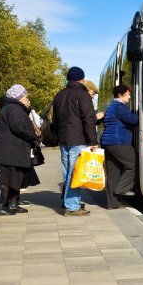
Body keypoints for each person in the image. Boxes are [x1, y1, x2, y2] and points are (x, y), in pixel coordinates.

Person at [52, 67, 99, 216]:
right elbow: (89, 118)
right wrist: (93, 141)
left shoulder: (59, 95)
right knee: (75, 173)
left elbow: (55, 120)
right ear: (82, 79)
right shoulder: (83, 94)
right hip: (77, 139)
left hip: (64, 139)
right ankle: (71, 206)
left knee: (67, 172)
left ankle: (72, 201)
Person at [0, 85, 39, 215]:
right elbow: (18, 127)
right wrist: (32, 136)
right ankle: (0, 206)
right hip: (10, 150)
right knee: (6, 179)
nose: (27, 98)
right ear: (19, 97)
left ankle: (12, 204)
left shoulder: (11, 108)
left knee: (14, 179)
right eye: (25, 96)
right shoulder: (14, 109)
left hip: (11, 150)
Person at [101, 84, 139, 209]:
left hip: (108, 143)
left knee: (114, 173)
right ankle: (121, 189)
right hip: (118, 142)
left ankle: (113, 203)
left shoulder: (111, 105)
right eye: (128, 94)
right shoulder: (119, 106)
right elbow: (132, 120)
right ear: (120, 94)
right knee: (133, 164)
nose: (129, 97)